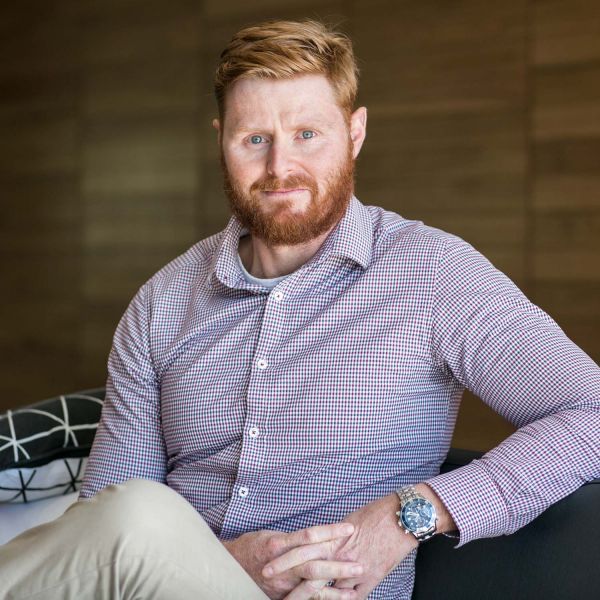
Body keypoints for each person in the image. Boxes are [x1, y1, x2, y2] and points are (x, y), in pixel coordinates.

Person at [1, 19, 599, 600]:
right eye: (254, 139)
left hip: (329, 595)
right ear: (221, 141)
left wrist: (410, 515)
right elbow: (109, 511)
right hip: (160, 585)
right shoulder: (163, 301)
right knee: (129, 510)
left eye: (308, 134)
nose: (280, 167)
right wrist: (222, 562)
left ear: (355, 133)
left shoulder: (433, 274)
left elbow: (590, 410)